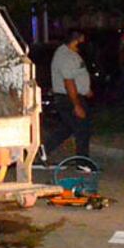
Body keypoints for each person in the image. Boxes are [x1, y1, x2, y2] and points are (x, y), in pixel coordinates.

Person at [44, 29, 93, 158]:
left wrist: (85, 89)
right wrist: (76, 104)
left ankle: (43, 151)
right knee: (83, 128)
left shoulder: (71, 54)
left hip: (72, 96)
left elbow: (76, 75)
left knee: (67, 128)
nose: (84, 42)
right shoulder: (65, 56)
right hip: (69, 98)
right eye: (82, 39)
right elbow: (68, 82)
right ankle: (82, 161)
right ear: (76, 39)